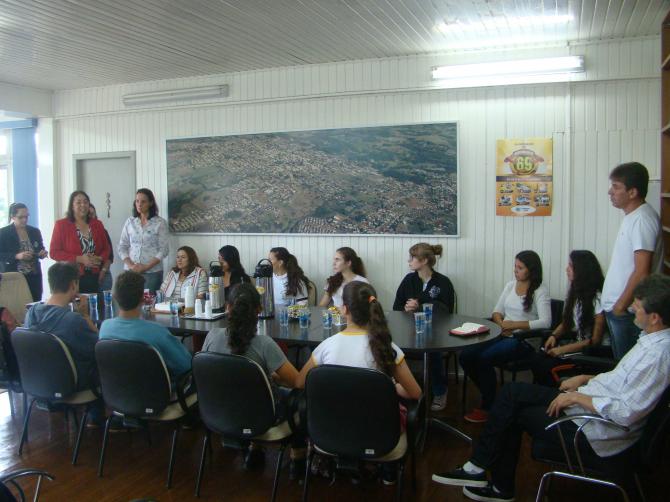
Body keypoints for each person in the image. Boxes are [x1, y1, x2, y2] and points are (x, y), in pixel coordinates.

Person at [432, 274, 670, 502]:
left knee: (512, 411)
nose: (631, 308)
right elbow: (621, 381)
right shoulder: (650, 340)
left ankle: (491, 480)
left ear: (655, 317)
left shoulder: (658, 356)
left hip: (596, 429)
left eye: (638, 306)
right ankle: (483, 473)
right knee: (511, 393)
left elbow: (626, 412)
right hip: (587, 403)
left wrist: (576, 398)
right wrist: (585, 377)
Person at [299, 281, 422, 485]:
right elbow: (416, 394)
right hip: (379, 436)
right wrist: (390, 386)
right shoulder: (388, 349)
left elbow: (299, 383)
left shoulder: (325, 347)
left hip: (329, 433)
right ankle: (387, 468)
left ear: (344, 309)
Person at [203, 282, 305, 477]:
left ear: (227, 308)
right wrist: (273, 378)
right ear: (259, 310)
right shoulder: (264, 344)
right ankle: (297, 458)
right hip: (261, 418)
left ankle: (255, 449)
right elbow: (297, 382)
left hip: (217, 414)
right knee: (300, 400)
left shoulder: (212, 336)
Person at [459, 250, 551, 423]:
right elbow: (496, 311)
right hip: (503, 334)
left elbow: (546, 322)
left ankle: (488, 406)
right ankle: (493, 395)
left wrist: (513, 325)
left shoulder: (540, 290)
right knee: (466, 355)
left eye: (520, 268)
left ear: (531, 270)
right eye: (515, 266)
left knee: (484, 358)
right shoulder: (510, 285)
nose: (515, 270)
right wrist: (501, 324)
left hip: (524, 341)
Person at [601, 162, 662, 360]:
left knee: (626, 367)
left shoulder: (642, 220)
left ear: (633, 192)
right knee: (621, 366)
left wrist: (620, 306)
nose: (610, 192)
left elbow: (642, 271)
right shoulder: (633, 217)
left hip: (626, 311)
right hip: (619, 310)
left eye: (616, 187)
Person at [393, 243, 455, 411]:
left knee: (432, 351)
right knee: (391, 349)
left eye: (413, 258)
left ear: (425, 260)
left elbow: (447, 312)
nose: (409, 261)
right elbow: (396, 307)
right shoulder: (408, 280)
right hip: (409, 331)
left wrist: (419, 307)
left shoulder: (443, 282)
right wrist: (406, 308)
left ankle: (440, 391)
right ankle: (402, 389)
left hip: (436, 333)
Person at [529, 250, 605, 387]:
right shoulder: (576, 294)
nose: (566, 269)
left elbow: (595, 341)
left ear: (582, 270)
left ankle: (557, 394)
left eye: (570, 266)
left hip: (591, 353)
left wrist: (563, 349)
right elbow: (566, 323)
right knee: (536, 359)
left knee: (545, 365)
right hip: (578, 347)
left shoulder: (598, 299)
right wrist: (553, 336)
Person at [100, 271, 191, 382]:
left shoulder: (105, 328)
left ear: (114, 296)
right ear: (143, 299)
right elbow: (186, 365)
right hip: (158, 391)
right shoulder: (157, 332)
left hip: (115, 390)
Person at [23, 262, 99, 392]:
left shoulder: (31, 313)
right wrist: (85, 317)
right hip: (73, 386)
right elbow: (100, 349)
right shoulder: (74, 321)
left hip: (39, 384)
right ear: (73, 284)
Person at [50, 191, 111, 296]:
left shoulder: (97, 224)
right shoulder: (61, 225)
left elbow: (106, 249)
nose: (83, 205)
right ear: (72, 206)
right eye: (78, 202)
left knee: (93, 304)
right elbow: (54, 253)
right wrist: (80, 259)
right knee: (76, 305)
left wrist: (99, 258)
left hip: (94, 276)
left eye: (85, 202)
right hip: (71, 278)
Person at [118, 188, 169, 292]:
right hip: (130, 271)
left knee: (149, 300)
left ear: (150, 203)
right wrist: (131, 266)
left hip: (152, 273)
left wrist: (145, 267)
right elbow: (122, 246)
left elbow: (164, 250)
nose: (139, 204)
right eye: (137, 201)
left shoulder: (160, 223)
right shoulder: (130, 221)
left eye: (143, 201)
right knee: (130, 299)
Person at [0, 202, 48, 301]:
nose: (24, 220)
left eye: (26, 216)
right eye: (20, 217)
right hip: (15, 276)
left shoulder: (35, 231)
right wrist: (17, 256)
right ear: (13, 217)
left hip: (34, 275)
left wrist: (42, 253)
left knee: (35, 302)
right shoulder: (3, 233)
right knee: (17, 302)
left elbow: (40, 248)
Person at [89, 203, 114, 292]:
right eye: (88, 214)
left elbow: (110, 256)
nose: (90, 216)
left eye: (92, 214)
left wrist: (103, 271)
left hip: (103, 273)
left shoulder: (103, 231)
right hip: (85, 276)